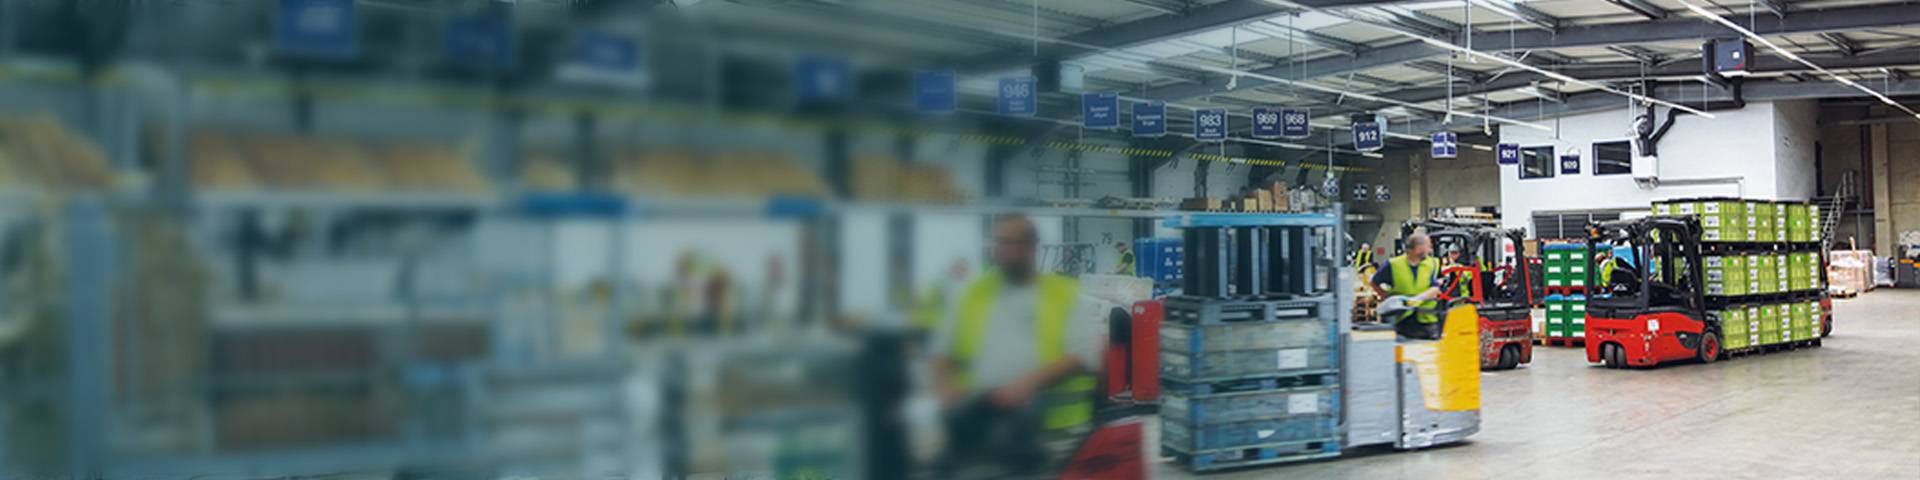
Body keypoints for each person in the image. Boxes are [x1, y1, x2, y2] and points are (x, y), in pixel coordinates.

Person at [930, 214, 1099, 474]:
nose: (1005, 251)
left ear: (1032, 247)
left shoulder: (1065, 293)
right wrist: (946, 391)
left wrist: (1025, 385)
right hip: (984, 428)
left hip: (1055, 437)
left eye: (1013, 243)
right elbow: (941, 352)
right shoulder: (972, 293)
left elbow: (1083, 354)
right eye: (1000, 243)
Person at [1373, 233, 1444, 340]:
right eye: (1428, 246)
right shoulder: (1393, 264)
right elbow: (1374, 282)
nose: (1429, 251)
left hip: (1427, 320)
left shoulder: (1431, 264)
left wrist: (1419, 298)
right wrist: (1386, 297)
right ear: (1418, 248)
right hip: (1401, 320)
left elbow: (1435, 287)